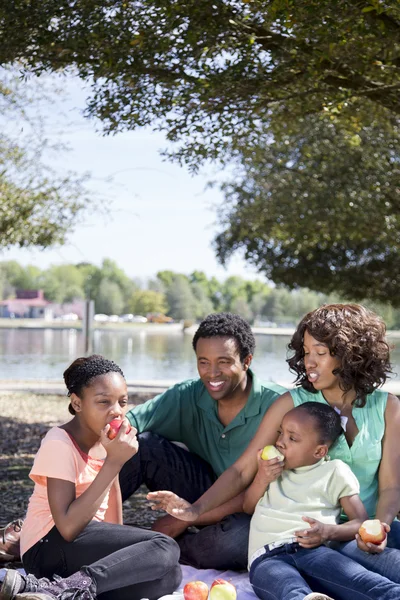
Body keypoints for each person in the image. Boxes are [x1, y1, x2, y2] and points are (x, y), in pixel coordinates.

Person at [148, 304, 400, 583]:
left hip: (369, 525)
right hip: (309, 531)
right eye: (306, 352)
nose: (309, 362)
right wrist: (194, 510)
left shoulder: (387, 407)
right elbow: (243, 471)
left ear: (350, 355)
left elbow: (390, 486)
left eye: (320, 353)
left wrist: (380, 528)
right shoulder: (290, 405)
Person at [0, 355, 181, 600]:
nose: (116, 411)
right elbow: (67, 527)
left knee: (168, 576)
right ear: (77, 403)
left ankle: (41, 589)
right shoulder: (59, 443)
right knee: (165, 546)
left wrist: (124, 551)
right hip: (47, 547)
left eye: (122, 402)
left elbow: (111, 520)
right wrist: (114, 461)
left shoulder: (104, 442)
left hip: (81, 544)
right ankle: (64, 588)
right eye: (104, 402)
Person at [119, 312, 286, 569]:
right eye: (203, 362)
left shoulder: (278, 405)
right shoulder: (188, 394)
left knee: (235, 543)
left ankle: (158, 545)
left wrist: (183, 519)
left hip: (255, 507)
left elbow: (249, 490)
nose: (212, 373)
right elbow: (127, 423)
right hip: (208, 489)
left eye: (224, 361)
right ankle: (86, 527)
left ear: (247, 361)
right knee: (138, 444)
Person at [246, 402, 400, 600]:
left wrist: (328, 532)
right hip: (266, 558)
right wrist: (262, 477)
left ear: (319, 451)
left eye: (292, 438)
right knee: (289, 590)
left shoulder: (334, 471)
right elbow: (247, 506)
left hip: (314, 551)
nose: (280, 442)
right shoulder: (272, 470)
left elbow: (360, 522)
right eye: (280, 433)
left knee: (364, 582)